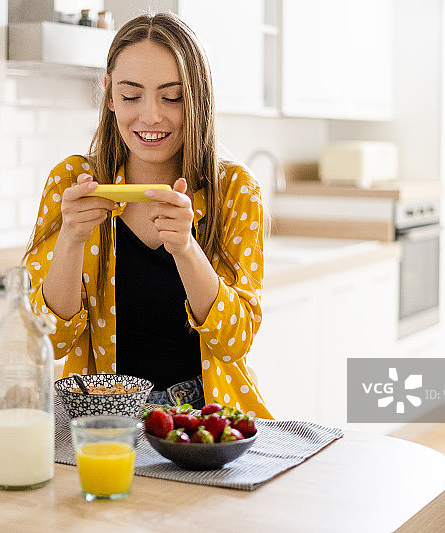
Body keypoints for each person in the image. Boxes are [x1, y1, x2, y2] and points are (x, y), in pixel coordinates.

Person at [24, 12, 272, 418]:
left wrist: (186, 248)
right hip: (103, 418)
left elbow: (235, 339)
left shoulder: (235, 190)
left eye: (171, 97)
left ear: (198, 97)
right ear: (109, 94)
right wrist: (70, 240)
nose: (151, 115)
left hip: (206, 420)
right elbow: (49, 342)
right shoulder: (72, 181)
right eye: (131, 95)